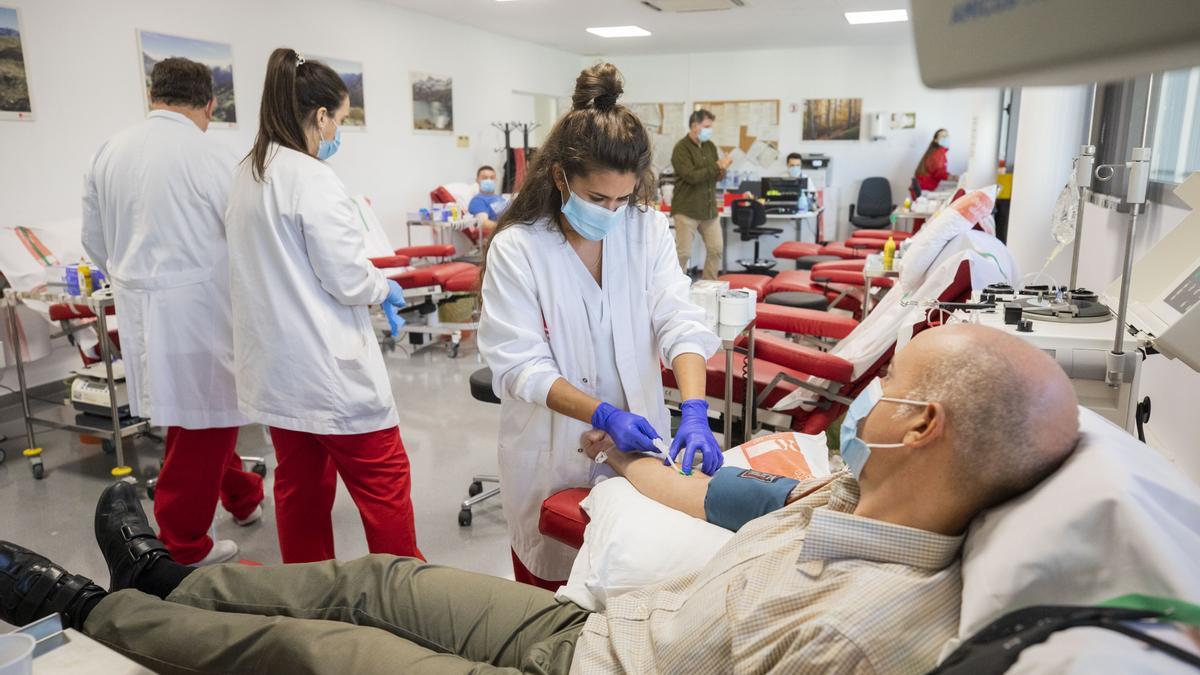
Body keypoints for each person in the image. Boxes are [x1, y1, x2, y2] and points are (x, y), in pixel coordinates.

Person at [0, 324, 1081, 674]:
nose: (868, 400)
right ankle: (164, 575)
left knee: (311, 650)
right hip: (593, 631)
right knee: (380, 577)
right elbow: (699, 493)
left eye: (889, 389)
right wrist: (625, 447)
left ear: (924, 428)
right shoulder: (850, 494)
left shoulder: (865, 632)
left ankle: (83, 608)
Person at [477, 63, 723, 590]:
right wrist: (603, 413)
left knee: (631, 589)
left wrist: (696, 408)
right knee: (550, 601)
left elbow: (677, 317)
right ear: (561, 177)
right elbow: (520, 367)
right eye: (596, 199)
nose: (611, 212)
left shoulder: (647, 230)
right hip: (551, 451)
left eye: (622, 199)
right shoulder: (518, 249)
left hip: (637, 448)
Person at [223, 48, 421, 564]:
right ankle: (409, 602)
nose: (340, 132)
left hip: (276, 372)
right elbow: (348, 278)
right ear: (319, 116)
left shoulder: (248, 173)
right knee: (385, 486)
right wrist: (384, 289)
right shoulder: (313, 179)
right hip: (330, 373)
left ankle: (310, 601)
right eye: (341, 119)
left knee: (299, 489)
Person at [81, 57, 263, 567]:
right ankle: (183, 547)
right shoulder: (214, 157)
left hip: (138, 311)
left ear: (153, 95)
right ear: (209, 104)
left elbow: (94, 243)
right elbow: (247, 243)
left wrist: (136, 281)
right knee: (206, 425)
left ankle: (244, 495)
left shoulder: (109, 151)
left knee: (194, 418)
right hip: (200, 314)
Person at [670, 108, 732, 280]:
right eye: (706, 126)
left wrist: (723, 169)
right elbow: (691, 176)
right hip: (686, 209)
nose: (709, 130)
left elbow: (714, 176)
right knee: (683, 254)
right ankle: (674, 289)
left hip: (709, 209)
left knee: (716, 249)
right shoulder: (681, 148)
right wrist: (718, 166)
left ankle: (709, 288)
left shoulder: (710, 146)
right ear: (694, 125)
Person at [468, 165, 507, 236]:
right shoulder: (477, 200)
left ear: (496, 180)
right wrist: (508, 227)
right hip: (502, 233)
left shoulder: (500, 198)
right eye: (484, 178)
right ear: (477, 180)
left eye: (492, 178)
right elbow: (484, 223)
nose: (489, 180)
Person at [915, 128, 957, 192]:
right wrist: (956, 178)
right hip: (924, 187)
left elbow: (939, 170)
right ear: (936, 140)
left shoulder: (936, 151)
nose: (946, 138)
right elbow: (939, 173)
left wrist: (951, 176)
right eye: (943, 136)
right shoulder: (938, 153)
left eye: (947, 136)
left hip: (922, 186)